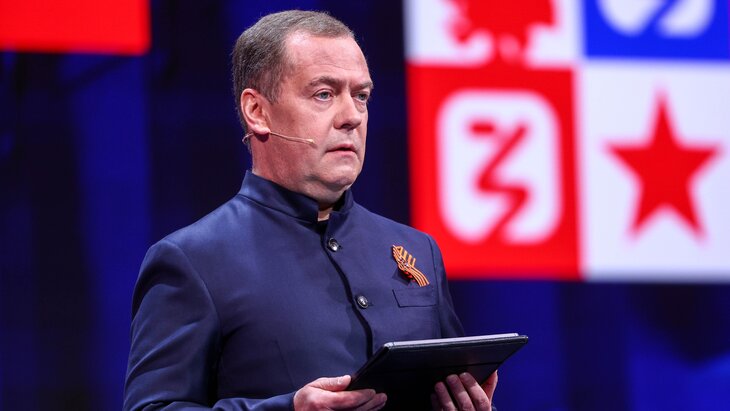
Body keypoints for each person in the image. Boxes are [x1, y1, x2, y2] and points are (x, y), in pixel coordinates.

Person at [123, 10, 498, 411]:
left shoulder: (417, 250)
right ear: (257, 112)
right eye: (324, 94)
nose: (351, 117)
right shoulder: (193, 260)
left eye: (361, 96)